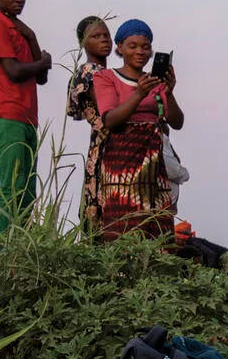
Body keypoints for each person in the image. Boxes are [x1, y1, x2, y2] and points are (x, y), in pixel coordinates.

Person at [93, 19, 184, 240]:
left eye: (145, 46)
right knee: (123, 223)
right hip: (122, 161)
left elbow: (177, 122)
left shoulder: (155, 82)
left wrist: (169, 92)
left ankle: (156, 272)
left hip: (153, 159)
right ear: (120, 47)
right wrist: (139, 94)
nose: (140, 52)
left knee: (157, 222)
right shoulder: (106, 77)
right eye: (132, 46)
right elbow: (110, 119)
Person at [0, 0, 51, 230]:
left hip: (27, 116)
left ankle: (17, 247)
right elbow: (14, 70)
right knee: (13, 187)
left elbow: (41, 77)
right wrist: (41, 61)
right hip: (7, 113)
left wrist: (31, 36)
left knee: (27, 191)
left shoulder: (18, 29)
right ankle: (1, 252)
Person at [65, 16, 111, 235]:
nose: (104, 40)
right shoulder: (90, 72)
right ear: (83, 42)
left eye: (106, 35)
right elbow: (107, 108)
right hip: (105, 142)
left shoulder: (106, 73)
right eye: (96, 36)